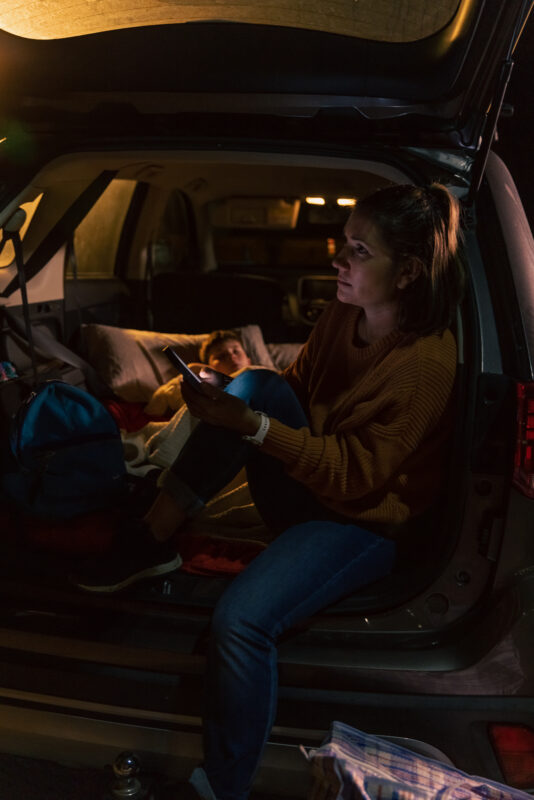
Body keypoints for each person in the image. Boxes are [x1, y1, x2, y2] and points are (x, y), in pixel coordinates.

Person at [74, 183, 465, 800]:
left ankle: (218, 787)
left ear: (409, 272)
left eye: (359, 251)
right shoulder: (343, 313)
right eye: (344, 245)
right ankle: (151, 536)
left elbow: (355, 476)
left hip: (364, 522)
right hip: (310, 490)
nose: (338, 260)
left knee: (242, 621)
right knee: (254, 381)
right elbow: (292, 388)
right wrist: (230, 402)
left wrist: (252, 428)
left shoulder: (426, 363)